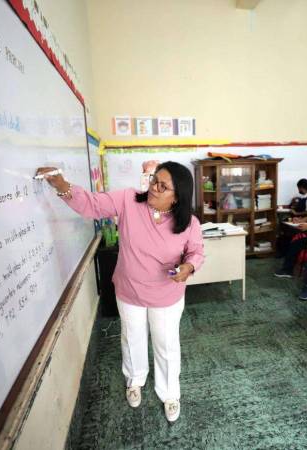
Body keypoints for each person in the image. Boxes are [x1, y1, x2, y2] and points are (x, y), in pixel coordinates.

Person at [35, 161, 204, 423]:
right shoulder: (128, 201)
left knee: (166, 344)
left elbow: (196, 251)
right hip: (130, 290)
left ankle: (170, 393)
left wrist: (188, 266)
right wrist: (62, 185)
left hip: (166, 294)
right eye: (153, 180)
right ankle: (135, 380)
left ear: (178, 195)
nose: (154, 187)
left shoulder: (189, 222)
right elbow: (91, 205)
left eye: (163, 185)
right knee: (132, 337)